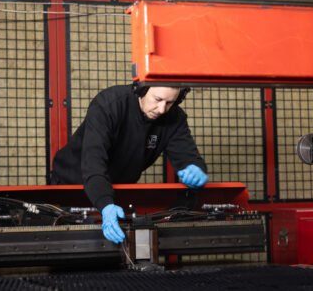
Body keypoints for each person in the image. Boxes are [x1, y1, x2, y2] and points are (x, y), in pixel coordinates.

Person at [51, 84, 208, 244]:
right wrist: (105, 205)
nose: (162, 109)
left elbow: (188, 155)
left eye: (169, 103)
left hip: (116, 190)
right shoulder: (109, 104)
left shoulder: (174, 117)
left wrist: (196, 169)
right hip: (72, 184)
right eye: (158, 99)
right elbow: (94, 163)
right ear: (142, 90)